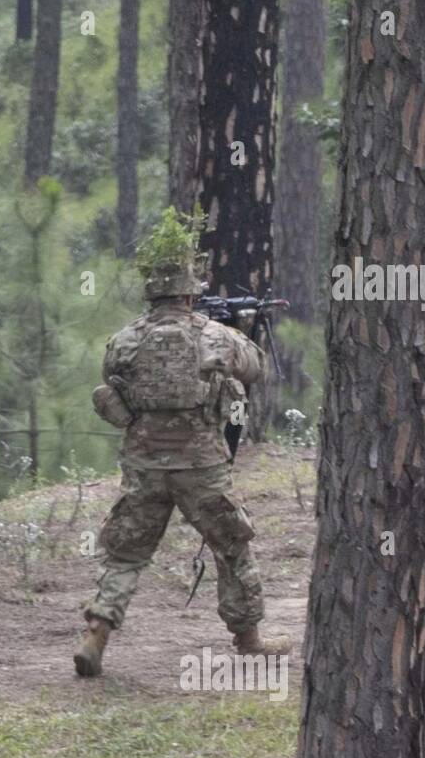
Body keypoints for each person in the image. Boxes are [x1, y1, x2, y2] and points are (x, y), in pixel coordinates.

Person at [77, 211, 289, 677]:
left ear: (152, 291)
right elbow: (255, 368)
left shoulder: (124, 339)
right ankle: (248, 638)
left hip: (144, 465)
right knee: (232, 544)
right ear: (191, 290)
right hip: (201, 464)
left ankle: (97, 631)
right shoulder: (216, 336)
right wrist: (240, 327)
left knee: (126, 552)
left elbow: (111, 384)